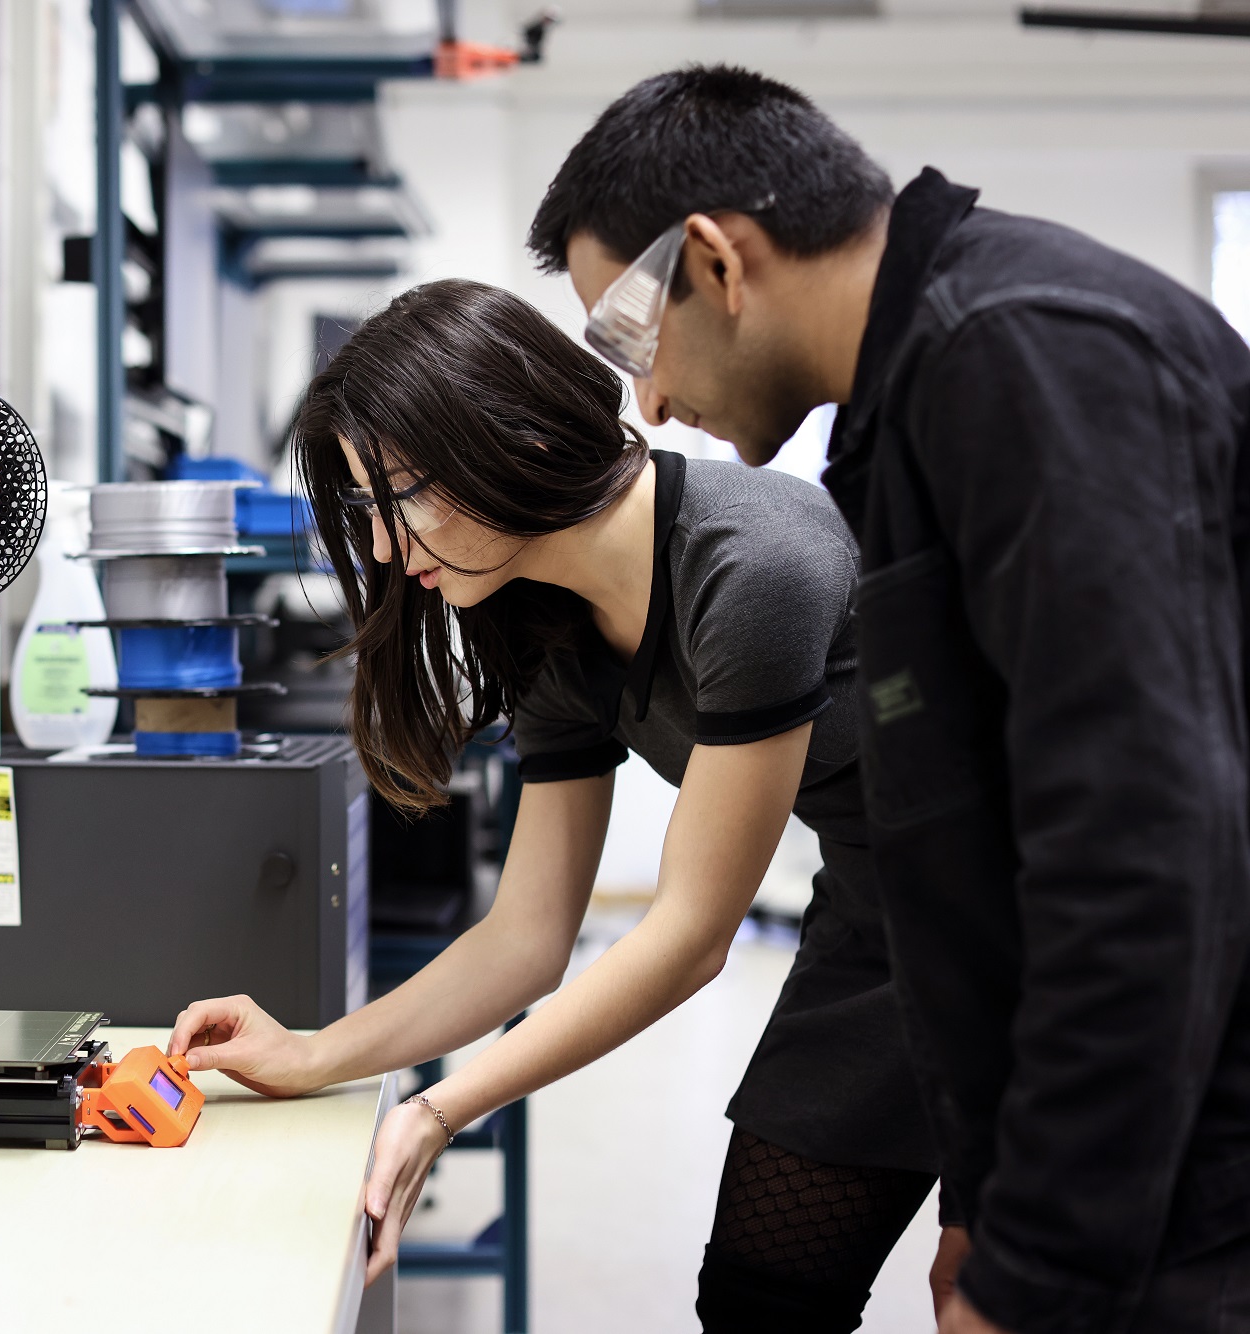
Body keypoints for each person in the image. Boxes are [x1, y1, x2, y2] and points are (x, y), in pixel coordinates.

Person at [529, 65, 1250, 1334]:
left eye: (632, 339)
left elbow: (1141, 843)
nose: (645, 403)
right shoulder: (910, 402)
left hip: (1193, 1111)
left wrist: (1040, 1269)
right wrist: (981, 1186)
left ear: (714, 260)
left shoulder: (1026, 354)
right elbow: (983, 831)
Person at [169, 277, 936, 1332]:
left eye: (398, 497)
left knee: (996, 1290)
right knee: (764, 1300)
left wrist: (441, 1106)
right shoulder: (548, 625)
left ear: (509, 435)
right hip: (884, 920)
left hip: (1052, 905)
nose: (387, 549)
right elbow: (528, 937)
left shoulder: (752, 562)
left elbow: (689, 932)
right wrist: (310, 1052)